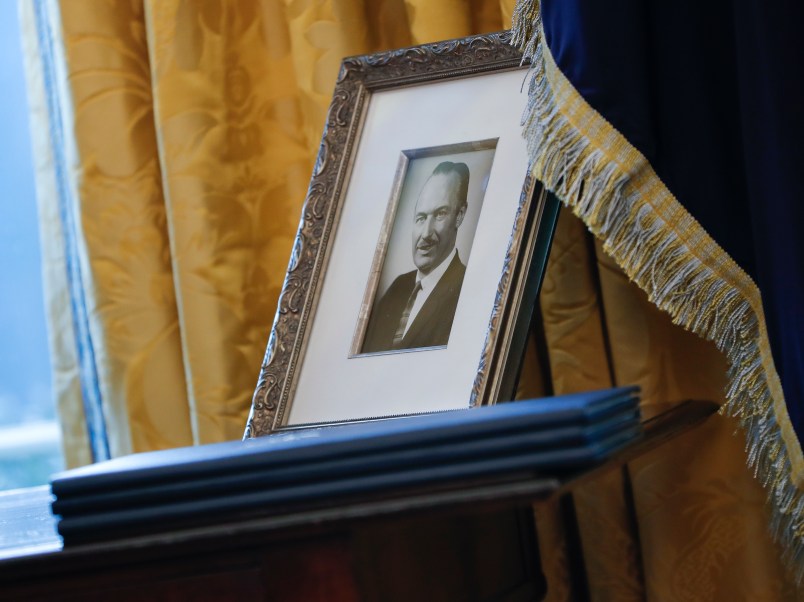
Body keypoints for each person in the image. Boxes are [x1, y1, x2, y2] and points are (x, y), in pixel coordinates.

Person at [362, 161, 470, 353]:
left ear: (460, 215)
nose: (426, 233)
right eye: (421, 218)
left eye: (440, 214)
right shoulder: (396, 289)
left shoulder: (467, 289)